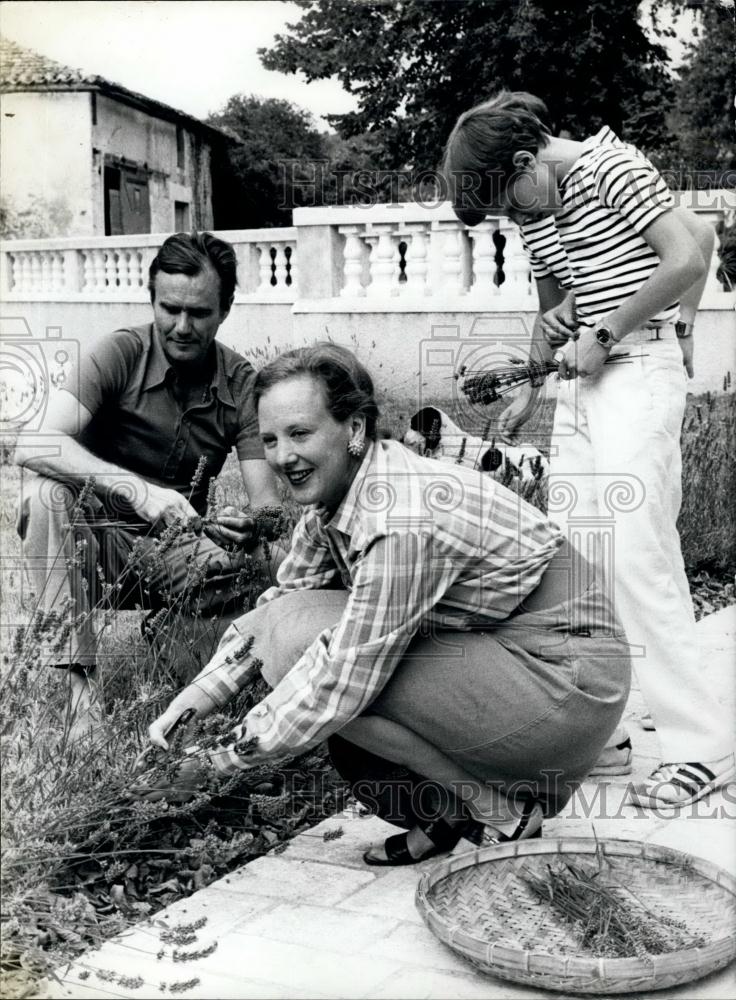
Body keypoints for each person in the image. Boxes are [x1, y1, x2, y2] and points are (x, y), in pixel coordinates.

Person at [142, 343, 631, 865]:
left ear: (354, 429)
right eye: (270, 439)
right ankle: (452, 811)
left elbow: (343, 675)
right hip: (510, 648)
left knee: (309, 660)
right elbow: (273, 609)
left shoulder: (397, 517)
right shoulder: (337, 502)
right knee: (293, 631)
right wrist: (189, 705)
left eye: (300, 433)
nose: (282, 456)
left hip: (569, 676)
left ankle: (497, 810)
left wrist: (219, 759)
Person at [443, 90, 734, 809]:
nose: (519, 221)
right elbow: (551, 310)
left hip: (641, 371)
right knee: (583, 557)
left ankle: (706, 746)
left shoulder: (613, 168)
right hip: (581, 389)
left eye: (512, 203)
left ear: (524, 161)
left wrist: (605, 333)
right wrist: (532, 379)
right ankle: (611, 730)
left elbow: (687, 256)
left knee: (636, 550)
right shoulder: (537, 210)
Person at [14, 232, 282, 741]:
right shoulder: (117, 353)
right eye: (170, 308)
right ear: (152, 300)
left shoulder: (242, 384)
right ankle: (81, 701)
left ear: (225, 309)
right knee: (45, 498)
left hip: (182, 552)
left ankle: (189, 652)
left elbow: (268, 508)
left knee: (268, 572)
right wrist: (138, 492)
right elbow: (33, 444)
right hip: (99, 547)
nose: (182, 326)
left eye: (199, 313)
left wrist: (251, 527)